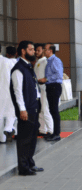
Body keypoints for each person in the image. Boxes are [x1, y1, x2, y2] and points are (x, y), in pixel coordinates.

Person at [10, 41, 44, 175]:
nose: (34, 52)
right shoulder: (18, 69)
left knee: (32, 137)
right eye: (31, 49)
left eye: (34, 49)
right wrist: (22, 109)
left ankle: (30, 163)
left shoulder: (29, 67)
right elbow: (18, 91)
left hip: (34, 106)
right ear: (23, 51)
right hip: (26, 109)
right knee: (24, 139)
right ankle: (23, 168)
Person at [37, 43, 63, 142]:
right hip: (50, 87)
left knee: (54, 111)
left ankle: (57, 134)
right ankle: (53, 133)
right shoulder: (49, 61)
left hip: (54, 87)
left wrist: (46, 79)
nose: (44, 51)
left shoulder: (55, 60)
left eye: (45, 49)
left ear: (50, 51)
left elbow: (59, 75)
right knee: (52, 110)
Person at [34, 43, 53, 138]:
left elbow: (49, 75)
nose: (36, 52)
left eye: (39, 50)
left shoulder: (46, 61)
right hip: (39, 89)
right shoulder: (39, 61)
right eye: (35, 50)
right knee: (41, 110)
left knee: (45, 110)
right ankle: (42, 129)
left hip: (45, 89)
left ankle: (51, 130)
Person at [0, 44, 17, 143]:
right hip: (8, 92)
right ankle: (9, 129)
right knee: (11, 112)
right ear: (1, 50)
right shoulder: (8, 61)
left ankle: (2, 138)